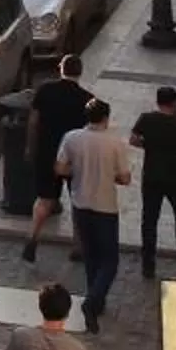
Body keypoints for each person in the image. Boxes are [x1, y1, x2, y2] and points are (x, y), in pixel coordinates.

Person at [53, 99, 132, 332]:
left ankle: (95, 299)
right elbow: (125, 178)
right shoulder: (115, 143)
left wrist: (78, 170)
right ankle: (94, 300)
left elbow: (60, 168)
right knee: (110, 260)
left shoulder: (72, 138)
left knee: (90, 255)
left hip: (80, 203)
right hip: (105, 207)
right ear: (106, 118)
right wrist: (110, 176)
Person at [23, 55, 91, 261]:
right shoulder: (87, 99)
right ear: (80, 72)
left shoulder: (45, 90)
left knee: (44, 199)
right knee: (77, 200)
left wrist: (30, 147)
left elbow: (34, 121)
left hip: (47, 152)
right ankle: (78, 246)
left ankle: (32, 239)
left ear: (61, 68)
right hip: (73, 157)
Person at [131, 86, 176, 276]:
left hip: (151, 175)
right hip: (174, 175)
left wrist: (149, 145)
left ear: (158, 101)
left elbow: (133, 140)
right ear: (175, 102)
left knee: (149, 219)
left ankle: (148, 262)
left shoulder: (146, 119)